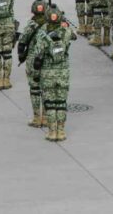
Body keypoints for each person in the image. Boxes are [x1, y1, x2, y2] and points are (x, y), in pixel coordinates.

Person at [32, 7, 77, 142]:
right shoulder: (66, 31)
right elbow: (74, 36)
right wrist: (64, 24)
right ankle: (61, 131)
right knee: (61, 102)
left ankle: (52, 131)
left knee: (50, 103)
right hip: (63, 72)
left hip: (47, 73)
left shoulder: (42, 34)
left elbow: (37, 53)